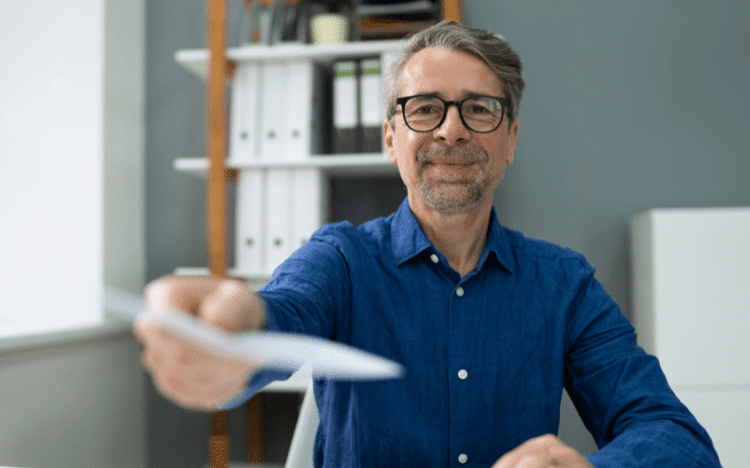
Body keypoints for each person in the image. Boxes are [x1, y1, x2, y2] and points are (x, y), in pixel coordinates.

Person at [136, 20, 721, 468]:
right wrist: (235, 340)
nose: (451, 128)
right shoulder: (342, 260)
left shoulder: (563, 283)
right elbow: (281, 316)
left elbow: (676, 437)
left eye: (479, 109)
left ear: (510, 139)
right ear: (392, 138)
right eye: (424, 109)